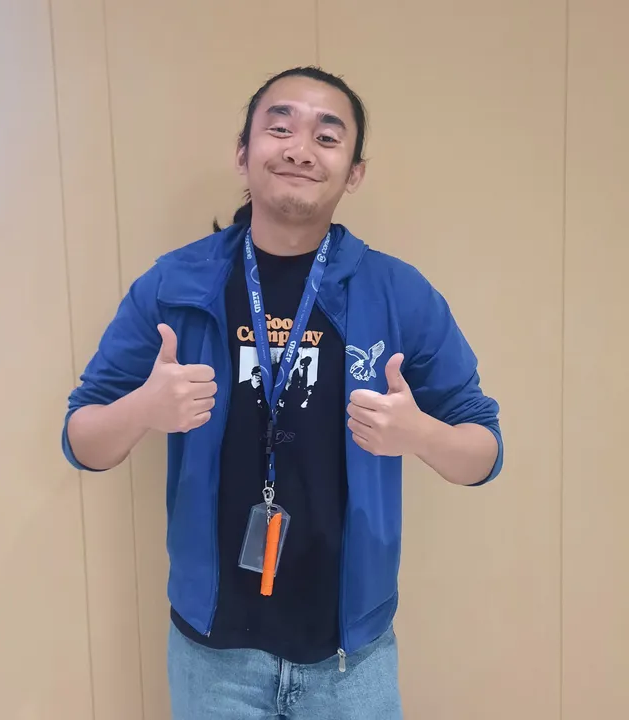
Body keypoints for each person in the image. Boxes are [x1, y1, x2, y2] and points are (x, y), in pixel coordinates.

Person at [61, 66, 503, 720]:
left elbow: (484, 451)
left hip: (351, 655)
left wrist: (421, 434)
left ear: (354, 172)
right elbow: (82, 440)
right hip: (213, 653)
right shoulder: (175, 285)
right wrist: (143, 409)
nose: (300, 149)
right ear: (243, 154)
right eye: (279, 127)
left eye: (327, 137)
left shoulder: (396, 293)